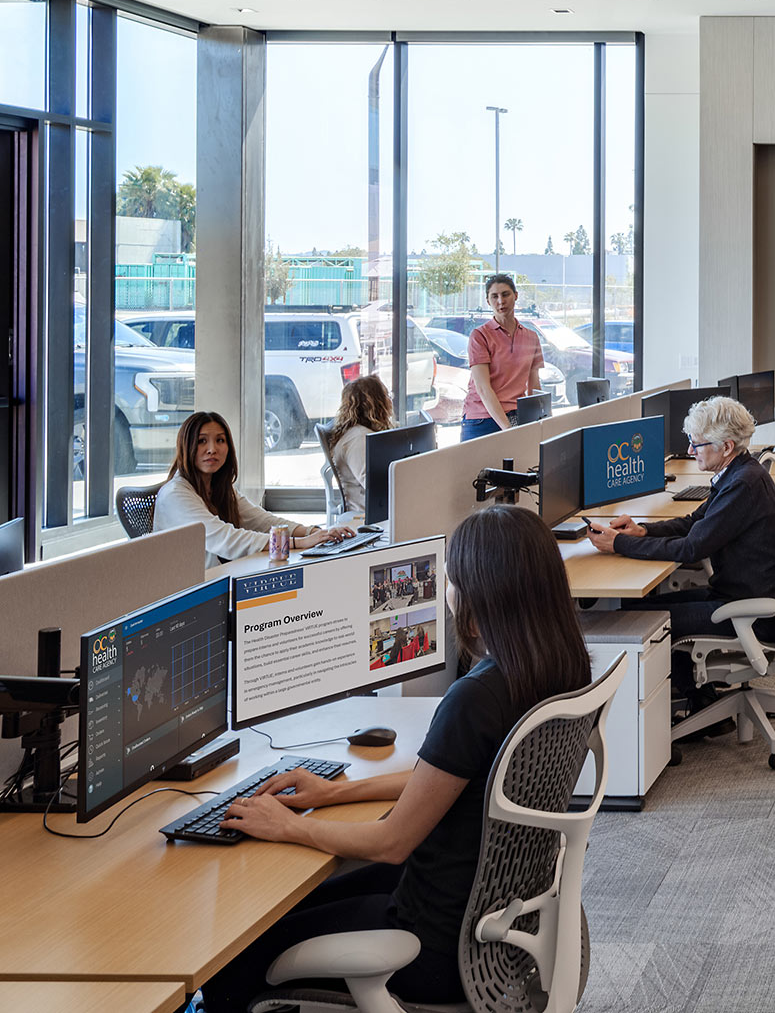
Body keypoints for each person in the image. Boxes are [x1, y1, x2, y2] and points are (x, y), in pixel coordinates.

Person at [197, 503, 590, 1013]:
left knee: (234, 958)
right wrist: (333, 792)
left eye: (451, 580)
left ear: (479, 596)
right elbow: (445, 777)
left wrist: (290, 826)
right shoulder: (560, 668)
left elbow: (392, 843)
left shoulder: (476, 698)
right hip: (491, 916)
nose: (447, 590)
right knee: (289, 907)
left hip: (436, 946)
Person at [586, 396, 775, 713]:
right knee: (637, 607)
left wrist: (619, 544)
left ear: (726, 446)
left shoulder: (742, 485)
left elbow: (692, 548)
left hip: (751, 612)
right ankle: (701, 698)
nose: (691, 449)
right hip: (741, 594)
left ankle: (694, 702)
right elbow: (694, 522)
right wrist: (642, 531)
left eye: (697, 443)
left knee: (644, 621)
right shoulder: (740, 472)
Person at [154, 411, 353, 563]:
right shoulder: (175, 495)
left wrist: (314, 533)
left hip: (215, 579)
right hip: (186, 592)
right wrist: (300, 543)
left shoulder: (218, 487)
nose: (212, 449)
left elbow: (263, 521)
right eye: (201, 441)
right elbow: (225, 539)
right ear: (186, 446)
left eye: (220, 440)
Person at [462, 273, 544, 441]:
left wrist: (541, 418)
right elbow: (483, 388)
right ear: (488, 301)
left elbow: (534, 385)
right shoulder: (480, 336)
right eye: (495, 296)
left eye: (506, 294)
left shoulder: (531, 337)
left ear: (516, 296)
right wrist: (508, 429)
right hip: (482, 417)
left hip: (516, 413)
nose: (501, 301)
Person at [326, 374, 396, 515]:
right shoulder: (359, 440)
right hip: (368, 515)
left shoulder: (361, 432)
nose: (390, 400)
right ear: (377, 403)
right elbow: (375, 488)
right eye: (387, 395)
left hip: (378, 509)